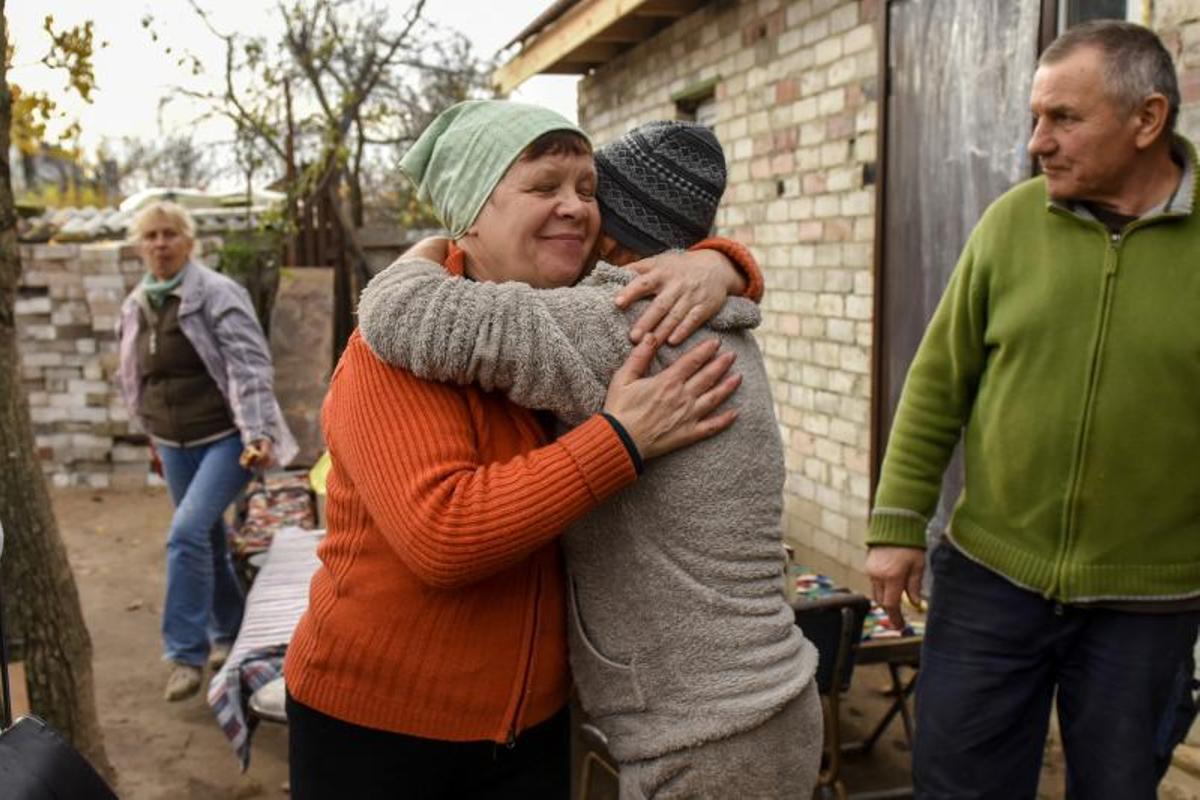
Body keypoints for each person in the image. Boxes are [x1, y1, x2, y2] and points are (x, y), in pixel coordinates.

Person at [283, 101, 754, 799]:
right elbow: (444, 536)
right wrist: (620, 439)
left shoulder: (564, 322)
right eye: (544, 187)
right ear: (471, 212)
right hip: (384, 729)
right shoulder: (392, 355)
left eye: (589, 190)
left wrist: (721, 264)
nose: (576, 208)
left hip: (532, 727)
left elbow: (656, 265)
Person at [866, 20, 1200, 799]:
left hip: (1147, 606)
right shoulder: (1010, 224)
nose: (1037, 143)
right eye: (1034, 119)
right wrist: (895, 525)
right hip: (991, 577)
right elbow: (936, 384)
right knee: (958, 788)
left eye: (1064, 118)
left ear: (1148, 120)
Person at [116, 201, 298, 702]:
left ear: (189, 242)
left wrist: (258, 432)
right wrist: (149, 431)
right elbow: (136, 375)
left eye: (170, 234)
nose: (159, 244)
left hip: (227, 440)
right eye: (150, 236)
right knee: (206, 541)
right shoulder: (139, 303)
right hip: (173, 443)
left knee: (185, 535)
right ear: (139, 245)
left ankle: (184, 653)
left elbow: (249, 366)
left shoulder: (216, 294)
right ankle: (232, 633)